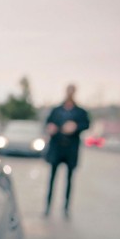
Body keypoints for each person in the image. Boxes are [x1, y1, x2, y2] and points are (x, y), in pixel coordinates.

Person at [43, 84, 90, 218]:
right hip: (57, 148)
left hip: (70, 150)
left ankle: (66, 208)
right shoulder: (56, 110)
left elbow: (86, 124)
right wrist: (50, 127)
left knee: (69, 180)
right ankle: (48, 206)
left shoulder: (80, 112)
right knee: (52, 179)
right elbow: (48, 123)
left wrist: (75, 126)